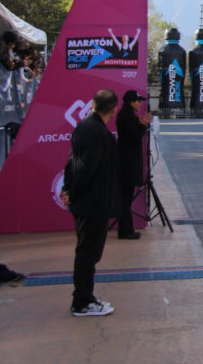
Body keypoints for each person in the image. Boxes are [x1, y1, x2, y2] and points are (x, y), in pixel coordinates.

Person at [61, 89, 122, 316]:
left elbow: (71, 160)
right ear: (114, 109)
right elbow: (86, 168)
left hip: (87, 200)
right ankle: (82, 302)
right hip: (92, 202)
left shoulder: (84, 126)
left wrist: (68, 188)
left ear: (93, 105)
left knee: (88, 252)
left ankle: (85, 298)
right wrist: (73, 192)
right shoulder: (97, 132)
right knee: (88, 253)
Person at [116, 90, 151, 240]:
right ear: (131, 102)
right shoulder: (126, 117)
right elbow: (135, 138)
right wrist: (143, 125)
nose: (140, 103)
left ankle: (126, 229)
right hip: (126, 164)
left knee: (126, 199)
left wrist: (141, 123)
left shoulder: (130, 117)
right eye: (138, 101)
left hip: (129, 163)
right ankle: (125, 230)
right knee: (125, 199)